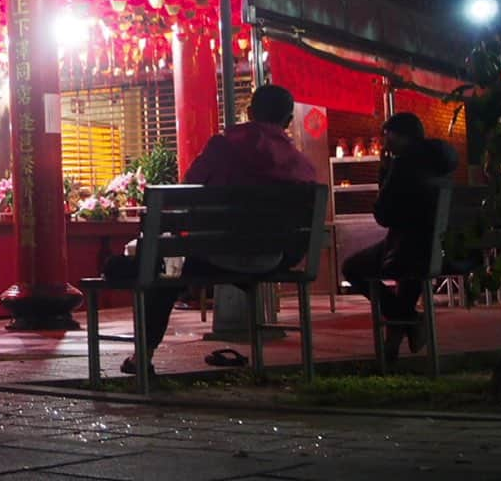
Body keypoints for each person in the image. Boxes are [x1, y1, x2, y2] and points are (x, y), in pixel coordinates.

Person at [111, 84, 317, 374]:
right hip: (274, 257)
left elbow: (187, 187)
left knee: (162, 283)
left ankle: (142, 357)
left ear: (249, 112)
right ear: (288, 120)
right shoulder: (301, 164)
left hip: (216, 255)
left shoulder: (222, 146)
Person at [342, 112, 458, 361]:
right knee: (408, 268)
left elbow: (384, 216)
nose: (385, 143)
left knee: (352, 268)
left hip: (408, 251)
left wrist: (384, 172)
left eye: (388, 136)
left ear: (402, 136)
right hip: (443, 250)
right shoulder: (442, 164)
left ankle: (409, 320)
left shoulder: (403, 165)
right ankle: (397, 338)